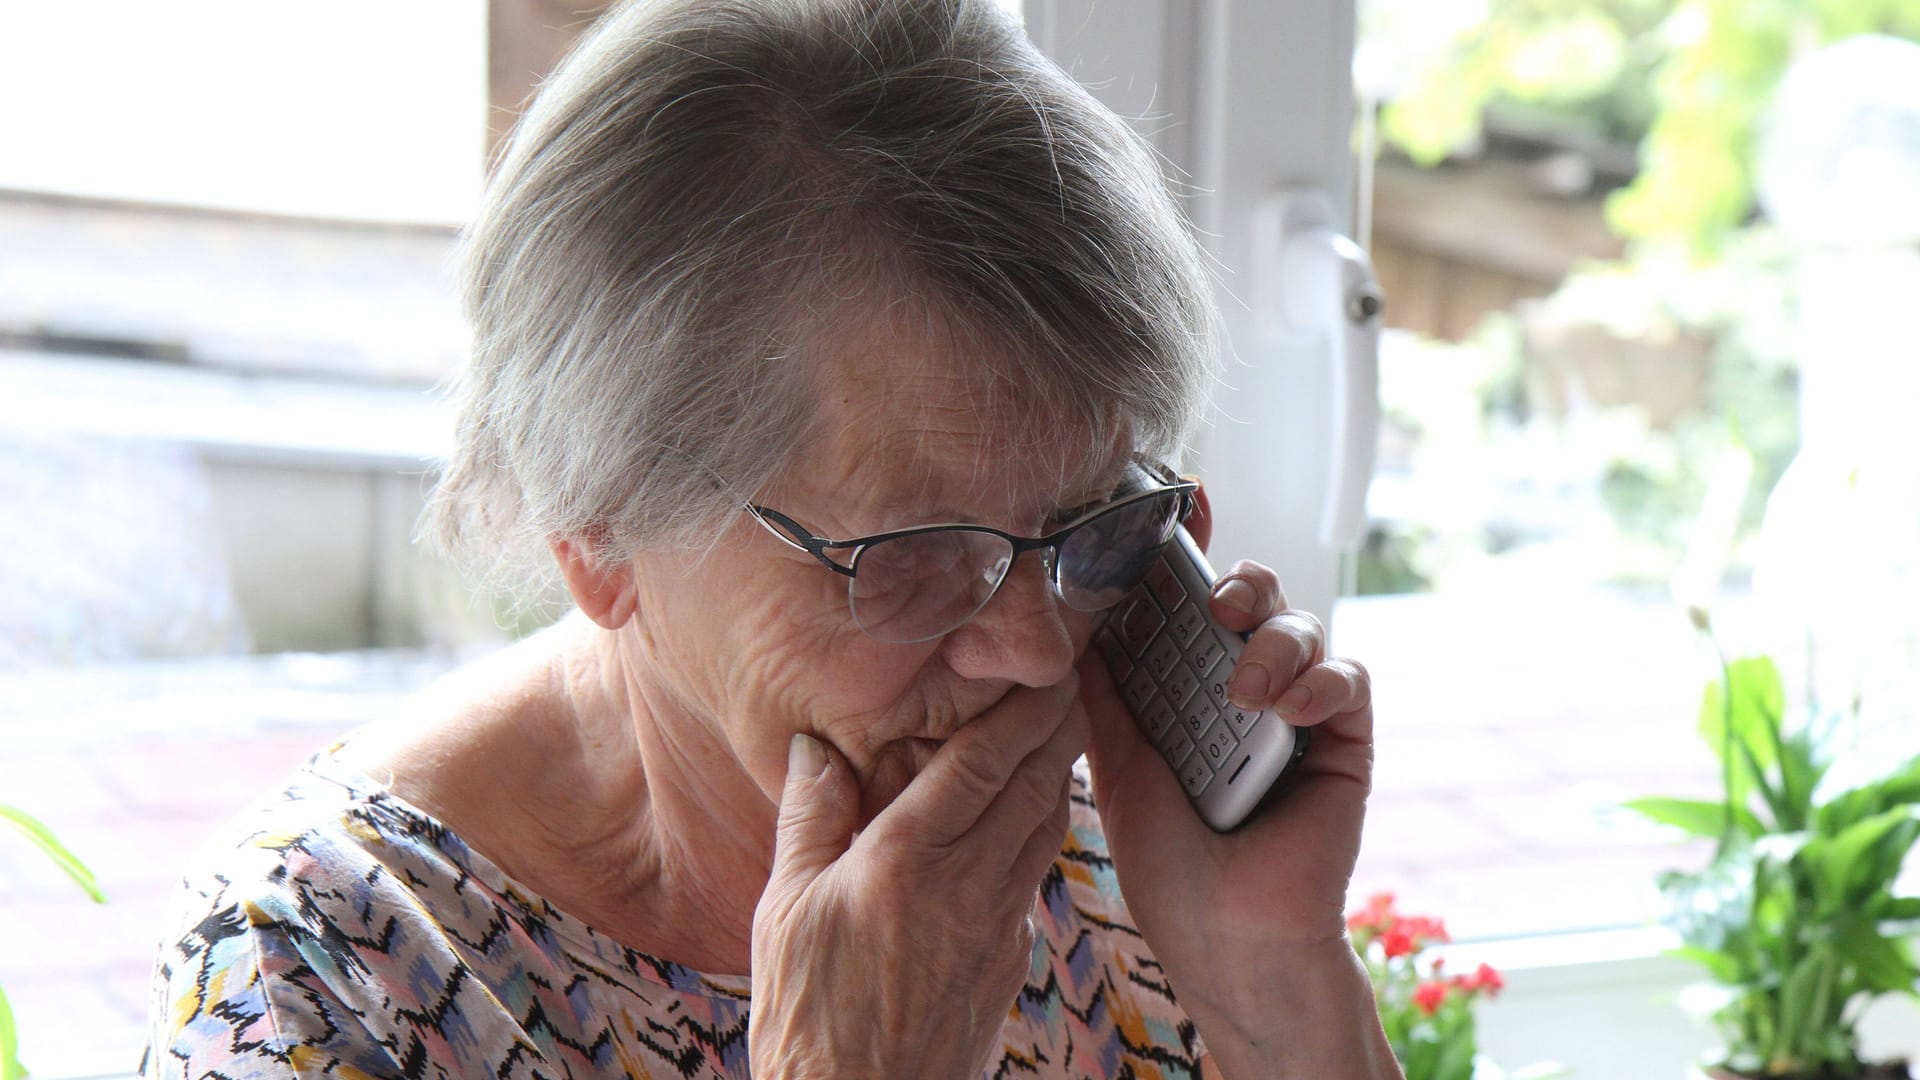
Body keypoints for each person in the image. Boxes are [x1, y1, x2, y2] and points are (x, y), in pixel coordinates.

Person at [143, 0, 1396, 1076]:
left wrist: (1268, 979)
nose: (1030, 652)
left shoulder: (1107, 828)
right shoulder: (324, 978)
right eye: (913, 558)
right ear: (602, 532)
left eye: (1093, 523)